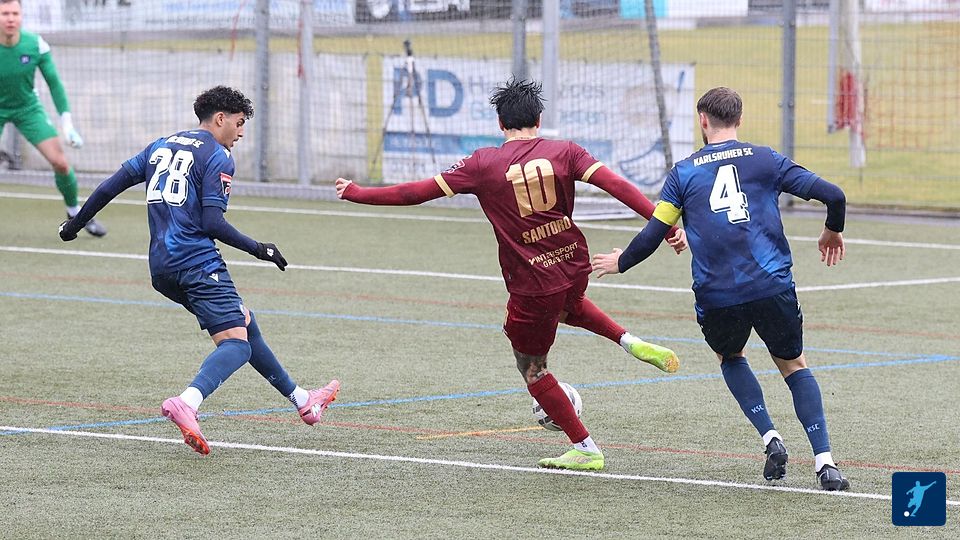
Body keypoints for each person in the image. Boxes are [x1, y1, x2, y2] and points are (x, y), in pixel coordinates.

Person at [336, 78, 686, 471]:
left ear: (501, 124)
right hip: (574, 262)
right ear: (539, 119)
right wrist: (665, 226)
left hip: (533, 283)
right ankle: (630, 341)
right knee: (568, 306)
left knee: (532, 368)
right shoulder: (566, 151)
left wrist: (357, 193)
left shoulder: (482, 163)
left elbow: (415, 192)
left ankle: (585, 448)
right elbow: (618, 187)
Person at [592, 87, 851, 490]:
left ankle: (770, 437)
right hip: (771, 285)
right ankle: (825, 463)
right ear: (739, 119)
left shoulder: (683, 173)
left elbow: (654, 233)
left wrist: (620, 261)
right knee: (794, 366)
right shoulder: (766, 159)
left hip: (718, 295)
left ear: (703, 120)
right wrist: (832, 230)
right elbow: (834, 195)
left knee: (730, 356)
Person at [58, 86, 339, 455]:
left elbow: (110, 186)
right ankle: (187, 402)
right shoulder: (218, 156)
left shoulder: (160, 145)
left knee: (243, 320)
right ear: (220, 119)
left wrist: (75, 225)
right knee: (236, 345)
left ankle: (304, 401)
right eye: (239, 123)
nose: (241, 132)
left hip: (162, 268)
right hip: (197, 262)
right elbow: (212, 222)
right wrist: (259, 248)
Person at [0, 0, 106, 236]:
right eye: (5, 13)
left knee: (60, 162)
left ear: (21, 16)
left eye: (15, 13)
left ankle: (75, 214)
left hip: (27, 109)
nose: (10, 18)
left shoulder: (35, 45)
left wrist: (67, 125)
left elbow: (55, 84)